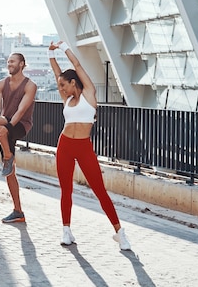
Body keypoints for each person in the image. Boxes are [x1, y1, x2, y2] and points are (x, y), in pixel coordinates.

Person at [48, 40, 131, 250]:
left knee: (99, 190)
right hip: (65, 145)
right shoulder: (65, 99)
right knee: (66, 190)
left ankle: (120, 233)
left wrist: (64, 47)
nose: (61, 89)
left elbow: (77, 67)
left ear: (73, 82)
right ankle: (66, 230)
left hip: (84, 147)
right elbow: (58, 72)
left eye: (63, 85)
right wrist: (50, 55)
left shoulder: (89, 94)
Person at [0, 53, 37, 223]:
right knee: (10, 173)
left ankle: (8, 156)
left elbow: (21, 110)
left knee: (8, 160)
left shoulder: (30, 85)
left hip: (20, 124)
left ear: (22, 64)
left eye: (13, 61)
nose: (9, 64)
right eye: (8, 61)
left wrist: (7, 128)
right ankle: (18, 211)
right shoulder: (0, 84)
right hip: (4, 125)